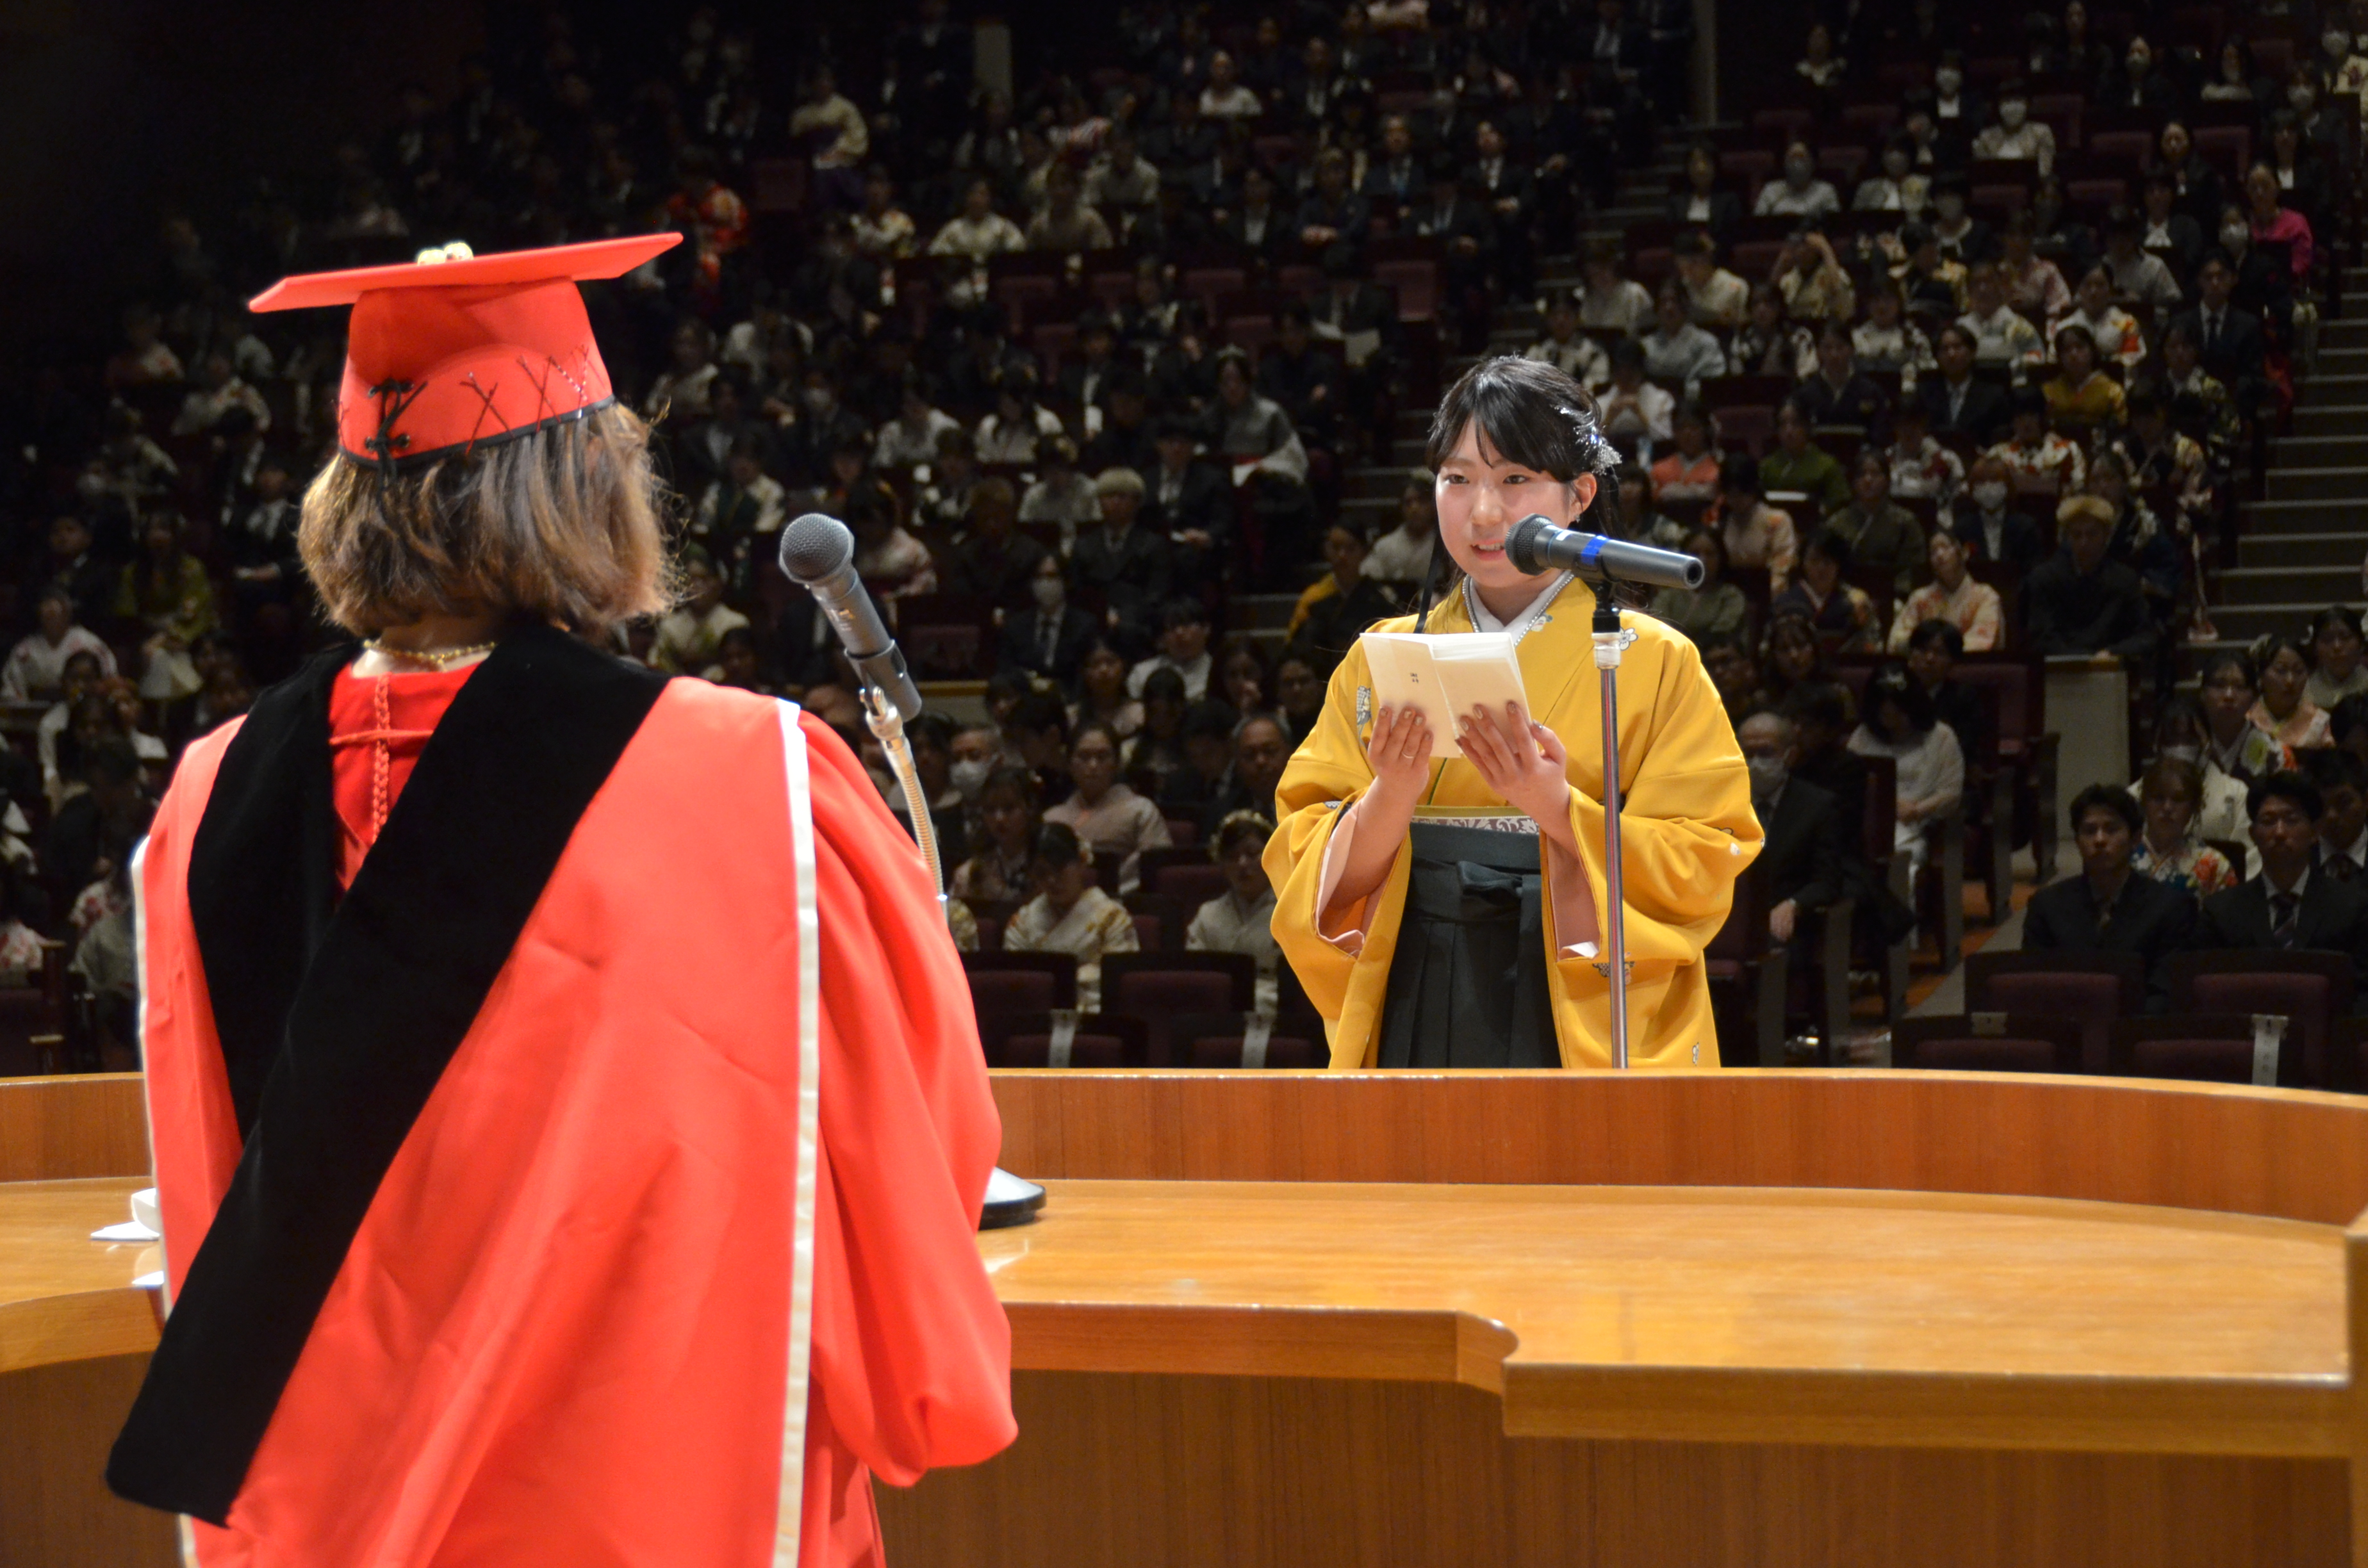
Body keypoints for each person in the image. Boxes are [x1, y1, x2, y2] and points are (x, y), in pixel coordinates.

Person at [110, 238, 1012, 1567]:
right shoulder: (754, 782)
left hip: (320, 1514)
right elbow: (918, 1148)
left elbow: (203, 1181)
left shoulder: (204, 797)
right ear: (591, 491)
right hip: (655, 1497)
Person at [1267, 357, 1760, 1070]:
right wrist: (1389, 798)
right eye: (1458, 479)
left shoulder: (1654, 659)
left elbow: (1706, 856)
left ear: (1580, 494)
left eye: (1515, 479)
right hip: (1418, 972)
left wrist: (1557, 808)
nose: (1484, 512)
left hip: (1574, 979)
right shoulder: (1381, 655)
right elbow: (1302, 855)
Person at [2020, 785, 2197, 1009]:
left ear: (2135, 839)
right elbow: (2033, 987)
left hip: (2139, 1025)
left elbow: (2166, 992)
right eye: (2089, 831)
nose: (2100, 840)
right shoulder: (2046, 906)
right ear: (2077, 841)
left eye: (2112, 830)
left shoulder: (2171, 907)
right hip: (2066, 1023)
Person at [2193, 772, 2368, 991]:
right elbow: (2207, 993)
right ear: (2253, 835)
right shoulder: (2220, 913)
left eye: (2291, 820)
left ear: (2315, 832)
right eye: (2268, 821)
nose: (2279, 832)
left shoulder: (2351, 908)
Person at [1736, 708, 1843, 951]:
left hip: (1786, 925)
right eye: (1747, 753)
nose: (1755, 762)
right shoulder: (1719, 803)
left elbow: (1827, 881)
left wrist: (1794, 904)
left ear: (1790, 756)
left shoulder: (1818, 806)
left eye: (1766, 753)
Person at [1002, 821, 1139, 1009]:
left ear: (1081, 862)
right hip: (1039, 1014)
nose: (1052, 880)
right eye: (1042, 873)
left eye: (1060, 869)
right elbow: (1018, 982)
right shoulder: (1022, 923)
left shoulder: (1112, 918)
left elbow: (1118, 983)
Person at [1848, 660, 1964, 876]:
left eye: (1898, 712)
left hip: (1917, 825)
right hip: (1869, 823)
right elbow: (1848, 784)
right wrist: (1885, 806)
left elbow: (1951, 794)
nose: (1891, 720)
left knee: (1902, 857)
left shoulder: (1941, 737)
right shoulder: (1863, 736)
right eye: (1884, 714)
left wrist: (1917, 810)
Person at [1044, 721, 1172, 894]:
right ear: (1069, 764)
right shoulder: (1052, 819)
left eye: (1102, 757)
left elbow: (1156, 867)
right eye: (1084, 757)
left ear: (1117, 763)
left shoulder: (1141, 810)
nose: (1093, 766)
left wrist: (1105, 886)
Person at [1187, 809, 1284, 1011]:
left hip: (1280, 1009)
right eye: (1232, 856)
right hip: (1218, 1009)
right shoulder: (1208, 915)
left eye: (1252, 854)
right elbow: (1195, 976)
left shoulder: (1293, 912)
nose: (1242, 864)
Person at [1287, 521, 1399, 672]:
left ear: (1364, 552)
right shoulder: (1314, 597)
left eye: (1351, 548)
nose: (1342, 556)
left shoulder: (1382, 597)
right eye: (1336, 547)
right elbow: (1297, 649)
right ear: (1326, 550)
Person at [2129, 755, 2241, 899]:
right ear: (2144, 802)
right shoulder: (2124, 856)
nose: (2167, 807)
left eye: (2178, 799)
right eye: (2158, 798)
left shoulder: (2214, 865)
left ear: (2193, 807)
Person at [1829, 450, 1926, 597]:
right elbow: (1828, 564)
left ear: (1887, 480)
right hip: (1845, 595)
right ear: (1853, 482)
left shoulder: (1905, 522)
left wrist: (1896, 595)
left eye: (1875, 474)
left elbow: (1913, 568)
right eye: (1861, 474)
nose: (1868, 480)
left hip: (1892, 596)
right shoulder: (1837, 522)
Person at [1890, 530, 2002, 651]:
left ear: (1964, 552)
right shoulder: (1920, 598)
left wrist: (1939, 651)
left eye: (1945, 547)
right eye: (1933, 551)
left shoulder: (1985, 596)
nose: (1939, 555)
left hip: (1967, 662)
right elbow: (1897, 640)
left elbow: (1982, 640)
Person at [1, 586, 116, 703]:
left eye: (59, 613)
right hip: (35, 709)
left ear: (69, 613)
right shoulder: (24, 650)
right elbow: (11, 688)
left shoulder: (90, 644)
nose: (54, 619)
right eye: (49, 615)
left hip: (83, 708)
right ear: (40, 614)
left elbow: (109, 681)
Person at [1772, 530, 1878, 653]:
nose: (1821, 568)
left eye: (1828, 561)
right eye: (1814, 560)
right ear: (1803, 563)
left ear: (1839, 564)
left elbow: (1870, 645)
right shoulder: (1785, 603)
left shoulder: (1855, 602)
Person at [949, 764, 1040, 905]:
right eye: (990, 810)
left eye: (1009, 808)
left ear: (1030, 808)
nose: (999, 819)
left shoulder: (1050, 865)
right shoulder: (970, 874)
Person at [1647, 527, 1748, 646]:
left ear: (1721, 558)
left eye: (1710, 554)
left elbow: (1722, 634)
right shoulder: (1669, 595)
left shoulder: (1731, 596)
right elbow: (1658, 628)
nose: (1702, 560)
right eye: (1695, 554)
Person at [1950, 454, 2048, 572]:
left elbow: (2036, 570)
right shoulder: (1961, 529)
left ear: (2007, 486)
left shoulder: (2026, 528)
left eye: (1994, 481)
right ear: (1972, 489)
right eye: (1981, 483)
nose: (1988, 488)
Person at [1715, 453, 1797, 592]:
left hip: (1765, 593)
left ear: (1754, 489)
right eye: (1731, 494)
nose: (1736, 500)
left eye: (1742, 493)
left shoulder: (1778, 521)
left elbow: (1782, 570)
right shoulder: (1718, 522)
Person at [2251, 632, 2334, 751]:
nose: (2290, 681)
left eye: (2299, 671)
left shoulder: (2321, 724)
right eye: (2281, 671)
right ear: (2261, 675)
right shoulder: (2245, 720)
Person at [2308, 606, 2368, 711]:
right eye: (2327, 639)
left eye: (2345, 637)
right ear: (2315, 647)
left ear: (2361, 644)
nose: (2337, 646)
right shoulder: (2302, 692)